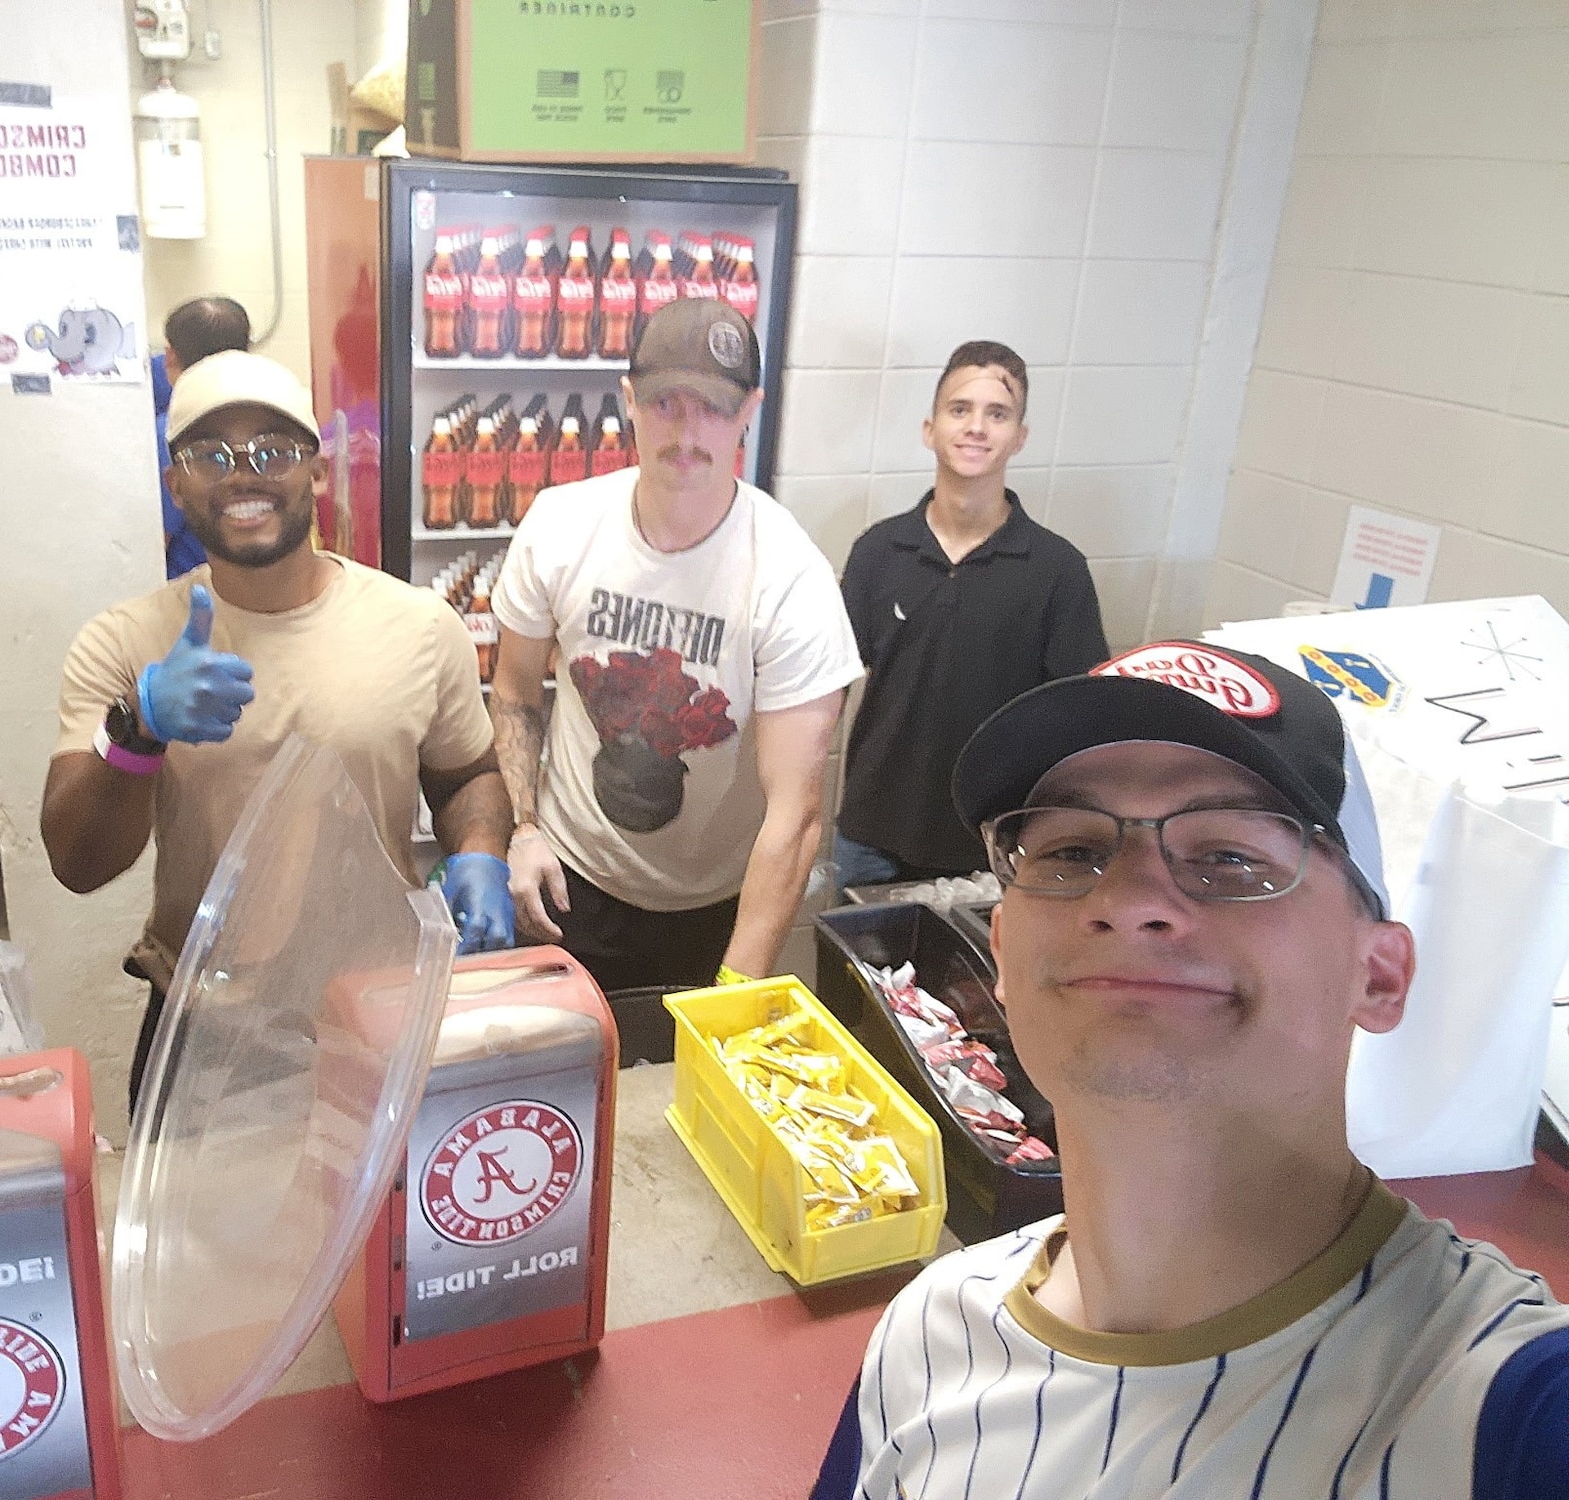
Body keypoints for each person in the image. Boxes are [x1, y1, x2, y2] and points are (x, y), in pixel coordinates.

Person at [812, 642, 1569, 1499]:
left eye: (1231, 858)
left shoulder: (1504, 1414)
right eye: (1070, 851)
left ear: (1380, 975)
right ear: (1002, 960)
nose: (1129, 902)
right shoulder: (927, 1335)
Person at [41, 350, 515, 1110]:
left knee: (386, 1228)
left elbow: (467, 776)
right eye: (210, 454)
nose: (244, 472)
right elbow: (78, 862)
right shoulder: (126, 642)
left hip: (379, 1015)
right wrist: (138, 729)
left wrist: (484, 855)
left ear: (317, 472)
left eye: (274, 449)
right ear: (175, 485)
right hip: (204, 1029)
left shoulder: (420, 625)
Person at [491, 299, 863, 994]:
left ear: (749, 410)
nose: (688, 431)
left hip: (714, 907)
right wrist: (523, 829)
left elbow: (798, 814)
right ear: (629, 400)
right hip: (571, 877)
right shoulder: (561, 527)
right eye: (667, 401)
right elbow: (515, 693)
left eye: (715, 408)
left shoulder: (789, 578)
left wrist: (733, 992)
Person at [834, 340, 1108, 890]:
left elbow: (1081, 722)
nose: (976, 427)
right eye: (960, 409)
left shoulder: (1057, 570)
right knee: (850, 979)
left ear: (1020, 437)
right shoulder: (878, 551)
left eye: (997, 413)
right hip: (872, 840)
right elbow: (827, 691)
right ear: (930, 428)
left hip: (996, 851)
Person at [155, 295, 252, 578]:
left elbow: (153, 546)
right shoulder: (273, 420)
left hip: (197, 600)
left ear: (170, 356)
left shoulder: (170, 434)